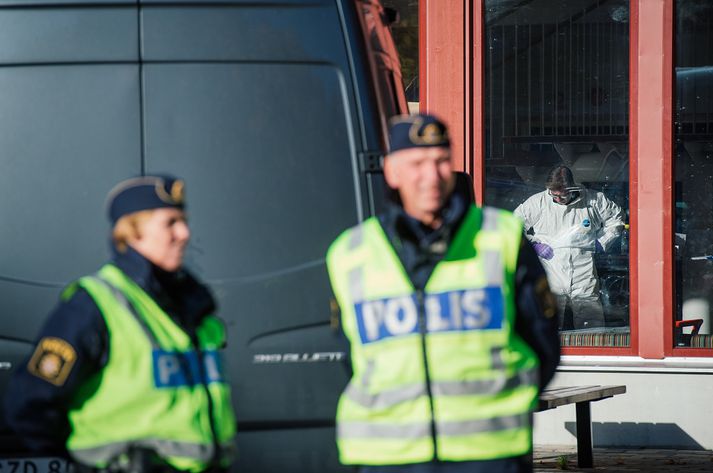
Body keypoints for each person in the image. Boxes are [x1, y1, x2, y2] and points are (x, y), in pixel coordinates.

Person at [325, 114, 560, 473]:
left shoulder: (501, 236)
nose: (430, 177)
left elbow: (543, 342)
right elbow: (346, 354)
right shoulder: (350, 253)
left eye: (440, 162)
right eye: (417, 164)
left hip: (487, 453)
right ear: (391, 172)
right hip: (387, 457)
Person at [4, 176, 236, 473]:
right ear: (132, 232)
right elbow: (28, 403)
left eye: (185, 221)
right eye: (171, 223)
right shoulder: (94, 304)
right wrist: (97, 463)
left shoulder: (193, 307)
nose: (185, 233)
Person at [514, 165, 625, 330]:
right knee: (549, 319)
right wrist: (535, 245)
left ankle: (592, 353)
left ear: (572, 188)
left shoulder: (593, 200)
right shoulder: (538, 202)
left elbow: (616, 219)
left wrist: (603, 242)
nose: (558, 199)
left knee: (590, 319)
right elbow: (514, 225)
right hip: (550, 266)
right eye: (554, 195)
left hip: (583, 267)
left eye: (562, 195)